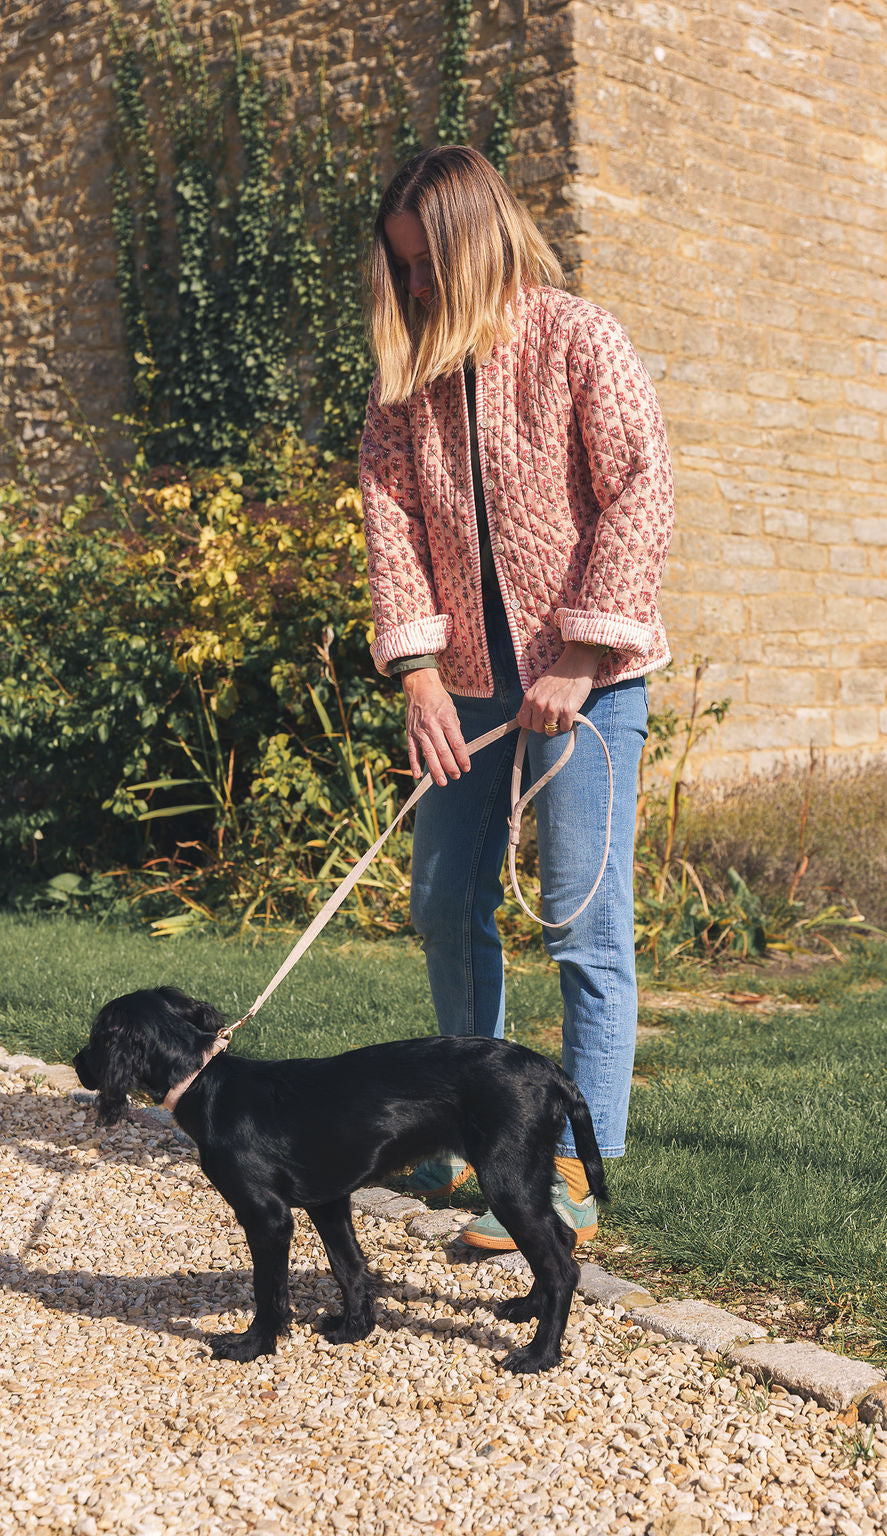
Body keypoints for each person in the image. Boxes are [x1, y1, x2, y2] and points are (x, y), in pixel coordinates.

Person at [358, 144, 674, 1251]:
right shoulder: (406, 382)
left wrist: (584, 654)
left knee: (585, 929)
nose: (414, 291)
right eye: (400, 271)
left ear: (477, 244)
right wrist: (417, 675)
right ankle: (466, 1125)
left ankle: (576, 1168)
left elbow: (640, 487)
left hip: (588, 683)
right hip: (464, 687)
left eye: (428, 268)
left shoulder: (580, 336)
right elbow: (391, 527)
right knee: (444, 904)